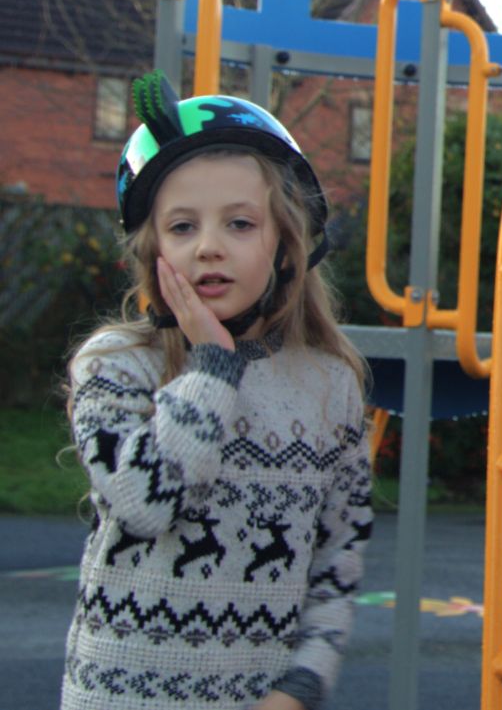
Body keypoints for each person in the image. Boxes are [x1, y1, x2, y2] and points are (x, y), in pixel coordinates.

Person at [61, 72, 372, 710]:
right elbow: (145, 506)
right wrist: (211, 367)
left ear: (285, 243)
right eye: (182, 227)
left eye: (239, 223)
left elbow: (337, 561)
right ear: (151, 248)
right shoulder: (114, 367)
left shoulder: (330, 386)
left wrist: (300, 686)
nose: (208, 247)